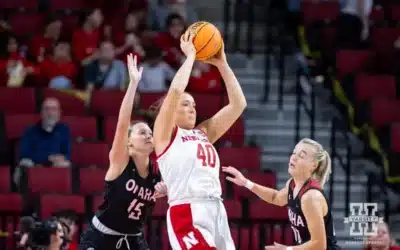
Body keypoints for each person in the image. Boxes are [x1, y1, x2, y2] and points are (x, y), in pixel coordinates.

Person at [153, 31, 247, 250]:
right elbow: (176, 90)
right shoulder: (165, 133)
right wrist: (190, 57)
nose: (192, 107)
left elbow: (238, 105)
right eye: (186, 104)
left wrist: (222, 64)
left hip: (216, 210)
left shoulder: (203, 132)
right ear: (171, 108)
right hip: (187, 209)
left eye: (194, 104)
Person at [79, 54, 167, 250]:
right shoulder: (120, 163)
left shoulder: (157, 172)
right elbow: (122, 124)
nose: (148, 136)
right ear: (129, 143)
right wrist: (133, 84)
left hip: (134, 240)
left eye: (150, 133)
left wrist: (166, 191)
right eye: (142, 132)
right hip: (101, 237)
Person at [223, 138, 341, 250]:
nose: (294, 158)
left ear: (314, 165)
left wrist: (288, 248)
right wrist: (246, 183)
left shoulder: (310, 197)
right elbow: (276, 197)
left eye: (301, 156)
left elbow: (319, 245)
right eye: (294, 153)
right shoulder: (292, 184)